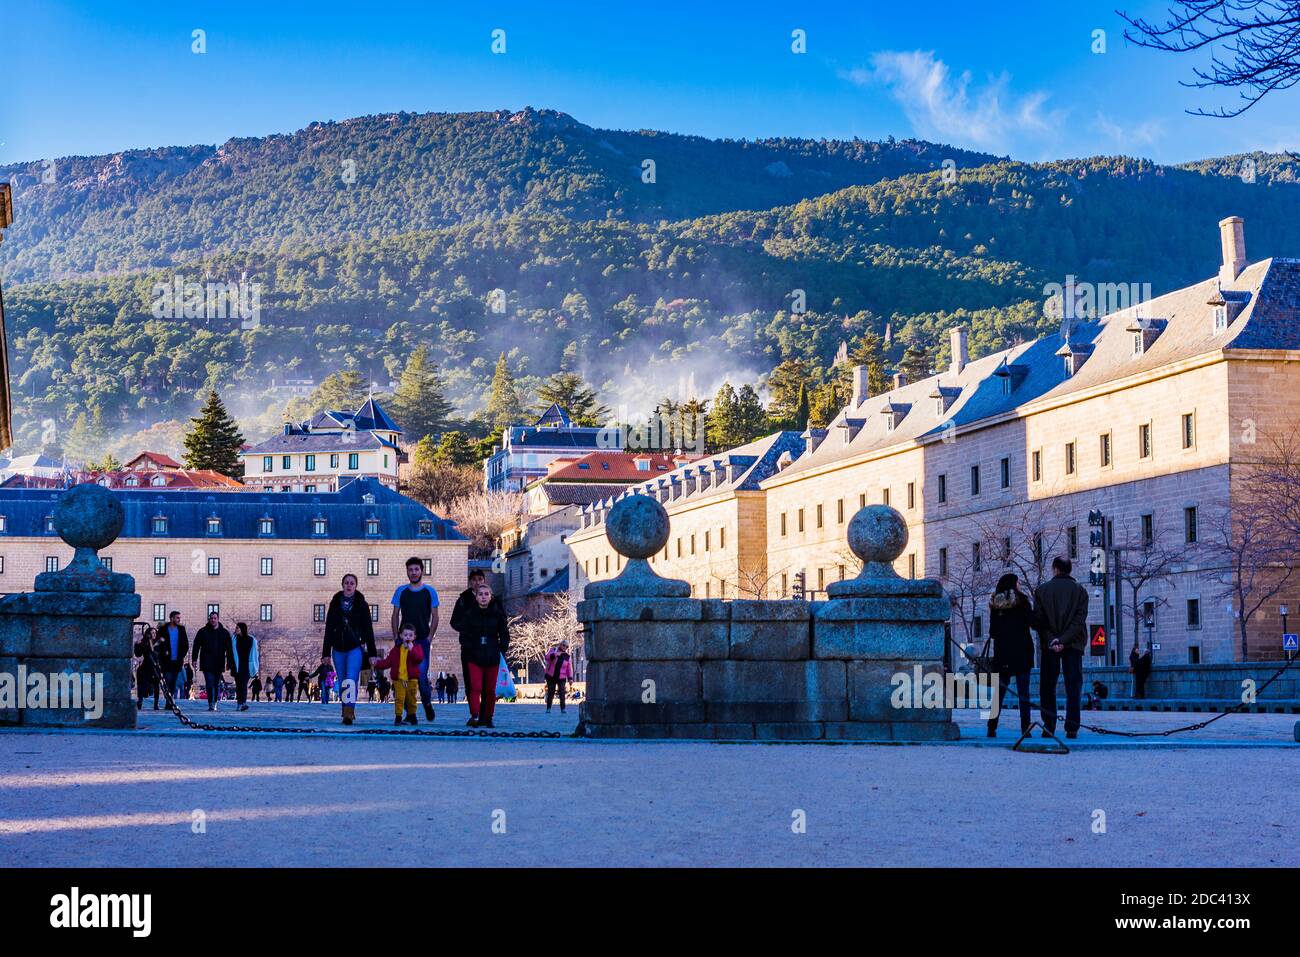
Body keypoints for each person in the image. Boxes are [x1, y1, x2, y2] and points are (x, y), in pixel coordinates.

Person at [1033, 557, 1089, 739]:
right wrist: (1064, 640)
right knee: (1073, 686)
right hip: (1073, 644)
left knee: (1047, 686)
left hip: (1049, 645)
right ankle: (1072, 727)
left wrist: (1053, 641)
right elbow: (1078, 622)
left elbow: (1040, 623)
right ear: (1070, 570)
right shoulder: (1080, 591)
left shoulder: (1041, 591)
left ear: (1055, 569)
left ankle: (1048, 725)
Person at [323, 573, 380, 725]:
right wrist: (325, 653)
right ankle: (345, 709)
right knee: (342, 681)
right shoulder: (334, 604)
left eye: (352, 583)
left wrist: (372, 653)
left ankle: (348, 713)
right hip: (338, 649)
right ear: (342, 585)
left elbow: (368, 630)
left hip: (354, 648)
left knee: (350, 680)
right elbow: (329, 628)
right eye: (346, 583)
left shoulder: (362, 604)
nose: (349, 585)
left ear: (356, 586)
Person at [454, 581, 510, 728]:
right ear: (476, 597)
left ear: (491, 597)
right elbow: (463, 634)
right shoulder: (470, 614)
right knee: (476, 687)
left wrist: (501, 649)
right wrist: (470, 648)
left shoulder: (497, 615)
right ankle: (475, 715)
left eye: (486, 594)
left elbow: (504, 634)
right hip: (474, 656)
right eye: (480, 594)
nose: (484, 597)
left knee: (490, 690)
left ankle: (489, 716)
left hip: (492, 656)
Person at [391, 557, 440, 721]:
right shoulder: (401, 591)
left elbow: (435, 616)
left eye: (416, 569)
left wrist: (429, 637)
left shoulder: (430, 592)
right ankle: (410, 713)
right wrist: (395, 637)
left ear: (422, 571)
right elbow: (395, 615)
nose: (413, 572)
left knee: (421, 677)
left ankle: (427, 704)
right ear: (407, 572)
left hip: (421, 642)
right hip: (403, 641)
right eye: (410, 570)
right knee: (403, 677)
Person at [986, 574, 1035, 738]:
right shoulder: (1022, 602)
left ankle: (991, 726)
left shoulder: (995, 605)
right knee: (1024, 693)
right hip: (1022, 652)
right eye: (1018, 582)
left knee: (998, 693)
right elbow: (1033, 623)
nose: (1020, 585)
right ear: (1014, 584)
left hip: (1003, 654)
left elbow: (992, 633)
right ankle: (1025, 728)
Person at [450, 569, 500, 709]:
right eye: (474, 580)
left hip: (489, 648)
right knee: (471, 682)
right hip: (469, 647)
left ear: (484, 581)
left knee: (487, 684)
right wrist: (468, 631)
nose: (477, 582)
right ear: (470, 582)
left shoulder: (493, 599)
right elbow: (454, 621)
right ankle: (474, 713)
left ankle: (485, 713)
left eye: (480, 579)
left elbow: (502, 621)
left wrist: (501, 645)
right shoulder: (463, 599)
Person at [372, 623, 425, 726]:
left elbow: (418, 659)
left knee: (411, 699)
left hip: (411, 679)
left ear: (414, 637)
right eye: (405, 635)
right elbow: (388, 662)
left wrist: (411, 649)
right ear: (401, 636)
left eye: (410, 635)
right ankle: (398, 717)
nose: (408, 637)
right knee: (399, 699)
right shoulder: (396, 650)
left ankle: (413, 716)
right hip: (399, 679)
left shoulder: (417, 648)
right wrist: (377, 664)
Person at [191, 611, 233, 713]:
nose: (213, 620)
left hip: (219, 662)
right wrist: (194, 659)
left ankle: (215, 702)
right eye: (211, 618)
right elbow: (196, 645)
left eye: (215, 618)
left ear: (218, 619)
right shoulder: (202, 632)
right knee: (209, 683)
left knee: (216, 684)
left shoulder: (224, 633)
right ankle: (211, 703)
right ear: (209, 619)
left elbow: (229, 649)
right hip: (206, 662)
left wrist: (229, 662)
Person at [157, 611, 189, 701]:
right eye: (177, 618)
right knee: (167, 680)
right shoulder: (163, 629)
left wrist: (181, 655)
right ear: (172, 618)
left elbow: (186, 645)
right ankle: (169, 700)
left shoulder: (182, 629)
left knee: (173, 682)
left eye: (179, 618)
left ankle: (170, 702)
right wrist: (163, 653)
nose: (179, 619)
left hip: (177, 661)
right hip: (166, 661)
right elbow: (159, 644)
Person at [229, 623, 259, 712]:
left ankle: (243, 703)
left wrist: (255, 667)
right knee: (239, 685)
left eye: (237, 628)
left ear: (242, 629)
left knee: (243, 684)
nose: (236, 629)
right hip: (237, 666)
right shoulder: (234, 639)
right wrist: (229, 664)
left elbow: (255, 654)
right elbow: (230, 653)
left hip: (247, 666)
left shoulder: (251, 639)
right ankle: (240, 703)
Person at [134, 626, 161, 711]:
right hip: (145, 667)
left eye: (155, 633)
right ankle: (140, 701)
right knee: (142, 686)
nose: (154, 634)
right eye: (152, 633)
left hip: (155, 667)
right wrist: (137, 645)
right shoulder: (143, 642)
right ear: (148, 634)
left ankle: (156, 704)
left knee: (157, 685)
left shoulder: (158, 643)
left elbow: (161, 655)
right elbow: (138, 654)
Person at [543, 641, 574, 714]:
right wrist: (555, 654)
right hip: (551, 675)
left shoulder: (567, 656)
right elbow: (546, 657)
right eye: (564, 645)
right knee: (551, 692)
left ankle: (563, 709)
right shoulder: (553, 650)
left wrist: (570, 678)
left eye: (567, 646)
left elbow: (569, 668)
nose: (565, 647)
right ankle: (548, 708)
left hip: (561, 677)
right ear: (560, 645)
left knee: (562, 692)